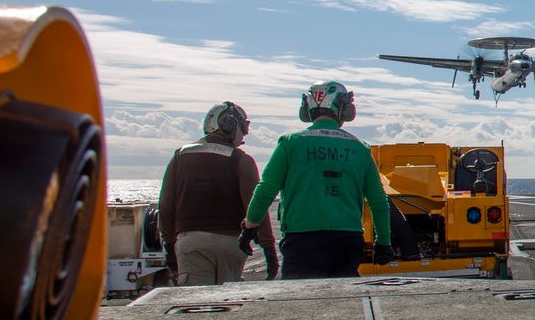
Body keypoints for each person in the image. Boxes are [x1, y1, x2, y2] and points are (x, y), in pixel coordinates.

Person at [239, 81, 393, 278]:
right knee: (345, 302)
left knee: (302, 304)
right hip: (347, 242)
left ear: (307, 107)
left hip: (302, 240)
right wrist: (383, 242)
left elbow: (265, 190)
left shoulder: (290, 143)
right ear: (344, 109)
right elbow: (379, 201)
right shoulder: (360, 148)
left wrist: (250, 228)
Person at [158, 102, 279, 286]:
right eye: (243, 126)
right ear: (229, 125)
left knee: (196, 304)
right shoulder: (242, 160)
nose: (245, 133)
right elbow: (256, 206)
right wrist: (268, 247)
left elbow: (166, 204)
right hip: (231, 243)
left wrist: (168, 244)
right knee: (227, 303)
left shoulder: (179, 156)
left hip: (191, 242)